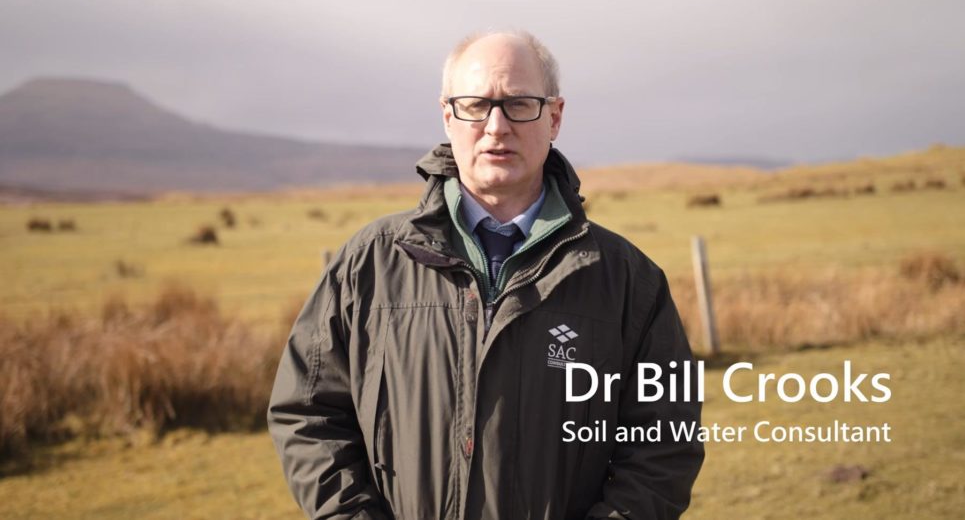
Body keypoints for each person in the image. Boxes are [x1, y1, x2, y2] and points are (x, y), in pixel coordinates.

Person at [268, 30, 704, 520]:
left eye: (520, 104)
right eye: (476, 105)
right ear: (448, 115)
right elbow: (307, 414)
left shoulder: (626, 280)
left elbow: (664, 444)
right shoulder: (368, 264)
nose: (497, 127)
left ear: (555, 117)